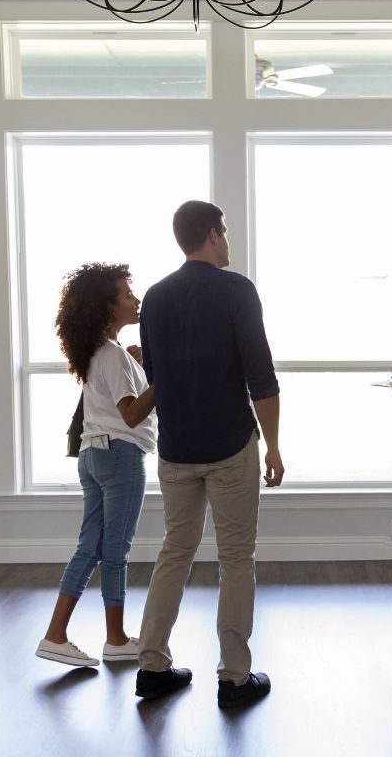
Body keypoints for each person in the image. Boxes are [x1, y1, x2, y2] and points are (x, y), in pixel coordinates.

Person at [135, 200, 284, 708]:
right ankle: (235, 678)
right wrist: (276, 445)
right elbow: (260, 376)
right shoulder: (237, 290)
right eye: (225, 231)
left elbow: (156, 375)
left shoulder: (153, 298)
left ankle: (151, 666)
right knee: (236, 558)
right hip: (229, 447)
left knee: (175, 551)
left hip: (175, 449)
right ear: (212, 235)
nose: (228, 241)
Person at [36, 263, 157, 667]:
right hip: (119, 456)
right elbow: (131, 415)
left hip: (92, 456)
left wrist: (139, 366)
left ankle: (56, 634)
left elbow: (113, 400)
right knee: (116, 551)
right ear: (107, 308)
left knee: (89, 547)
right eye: (126, 295)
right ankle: (117, 639)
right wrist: (164, 377)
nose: (135, 300)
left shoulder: (100, 354)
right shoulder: (114, 356)